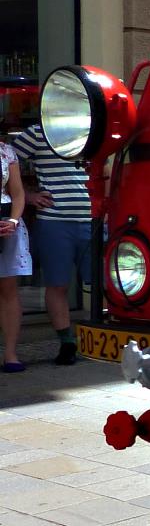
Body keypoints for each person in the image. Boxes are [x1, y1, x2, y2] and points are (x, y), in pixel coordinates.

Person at [10, 121, 93, 363]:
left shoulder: (91, 131)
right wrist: (28, 196)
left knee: (103, 282)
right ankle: (67, 343)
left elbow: (106, 169)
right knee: (58, 284)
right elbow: (6, 164)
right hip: (54, 222)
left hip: (93, 218)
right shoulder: (37, 133)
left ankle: (105, 337)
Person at [0, 136, 28, 373]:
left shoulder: (5, 150)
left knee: (8, 288)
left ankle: (10, 353)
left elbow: (17, 193)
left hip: (5, 223)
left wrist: (13, 219)